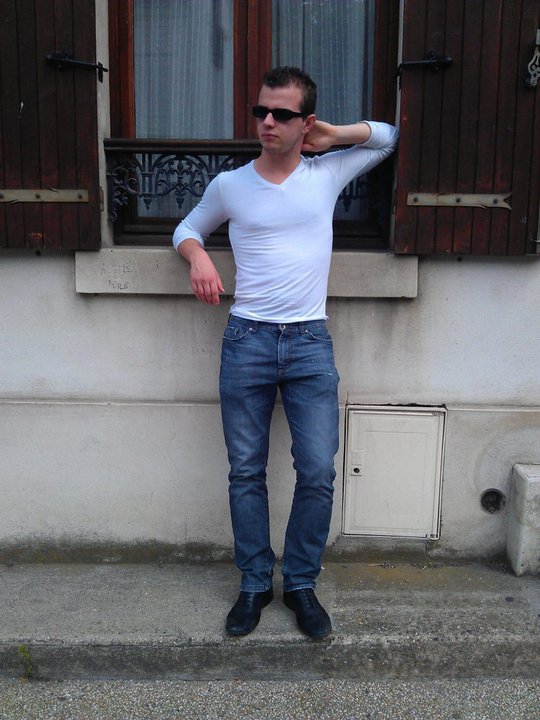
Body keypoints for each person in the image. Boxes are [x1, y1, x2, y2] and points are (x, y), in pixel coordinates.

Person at [173, 66, 398, 638]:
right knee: (246, 471)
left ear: (305, 122)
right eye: (261, 111)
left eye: (281, 114)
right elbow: (186, 228)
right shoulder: (231, 185)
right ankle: (254, 583)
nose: (267, 122)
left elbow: (388, 137)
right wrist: (198, 257)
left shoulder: (327, 173)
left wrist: (335, 135)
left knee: (317, 470)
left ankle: (300, 583)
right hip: (246, 339)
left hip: (309, 344)